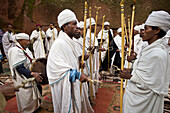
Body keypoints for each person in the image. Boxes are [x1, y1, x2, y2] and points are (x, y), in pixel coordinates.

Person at [119, 11, 170, 113]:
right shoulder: (150, 48)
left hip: (144, 102)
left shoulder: (157, 54)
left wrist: (129, 76)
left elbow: (152, 84)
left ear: (156, 30)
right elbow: (146, 72)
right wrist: (132, 70)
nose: (143, 32)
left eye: (146, 28)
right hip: (134, 97)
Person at [47, 9, 88, 113]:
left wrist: (77, 64)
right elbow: (55, 70)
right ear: (64, 26)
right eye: (74, 24)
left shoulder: (70, 42)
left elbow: (67, 63)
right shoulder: (59, 43)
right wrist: (76, 75)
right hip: (64, 85)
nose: (77, 27)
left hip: (72, 83)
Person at [8, 33, 43, 113]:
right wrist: (32, 74)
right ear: (20, 40)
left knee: (34, 91)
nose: (28, 42)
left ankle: (34, 108)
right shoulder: (16, 51)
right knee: (26, 94)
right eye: (26, 41)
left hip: (29, 74)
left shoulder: (25, 49)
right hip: (23, 77)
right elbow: (19, 68)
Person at [73, 21, 94, 113]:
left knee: (85, 85)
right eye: (78, 29)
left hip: (84, 66)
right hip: (76, 69)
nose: (79, 31)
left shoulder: (82, 40)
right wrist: (81, 58)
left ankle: (87, 99)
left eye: (81, 30)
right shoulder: (72, 42)